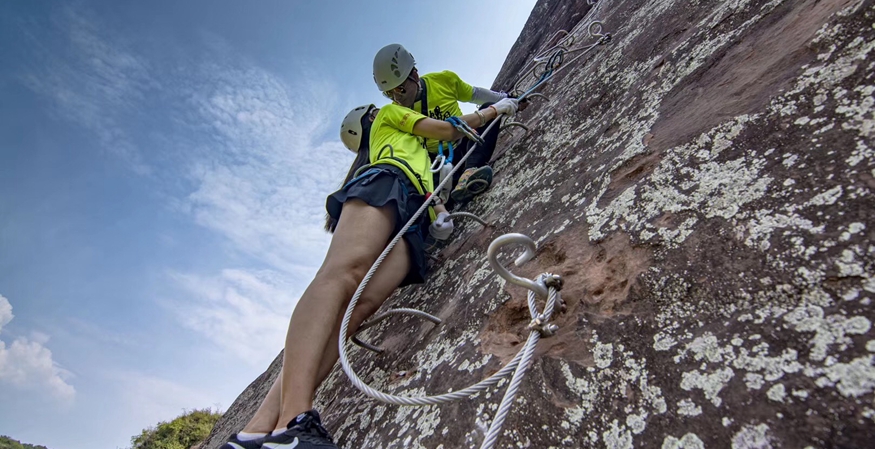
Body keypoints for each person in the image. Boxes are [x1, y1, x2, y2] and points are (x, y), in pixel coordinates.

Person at [219, 97, 519, 449]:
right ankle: (294, 421)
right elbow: (448, 128)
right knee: (342, 275)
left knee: (357, 310)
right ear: (372, 118)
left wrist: (438, 209)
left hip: (414, 211)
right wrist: (496, 108)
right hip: (388, 183)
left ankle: (255, 433)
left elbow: (438, 153)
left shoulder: (413, 146)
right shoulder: (391, 115)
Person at [373, 43, 527, 206]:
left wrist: (508, 98)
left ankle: (471, 170)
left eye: (400, 90)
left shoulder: (443, 80)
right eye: (389, 94)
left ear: (414, 75)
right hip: (439, 161)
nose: (397, 99)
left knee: (486, 110)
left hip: (466, 140)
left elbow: (475, 94)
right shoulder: (396, 112)